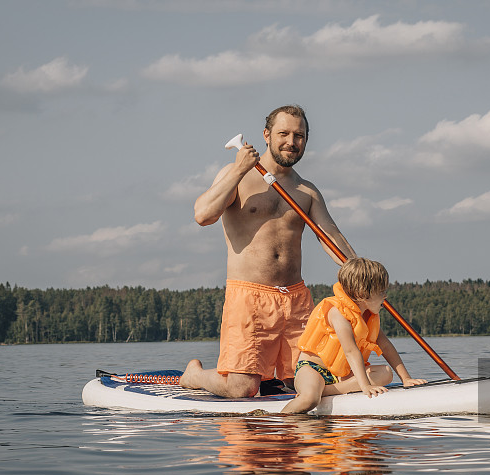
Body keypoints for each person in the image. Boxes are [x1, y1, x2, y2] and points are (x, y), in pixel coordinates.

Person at [179, 105, 356, 398]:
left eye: (299, 135)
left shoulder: (306, 191)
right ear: (266, 135)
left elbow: (330, 236)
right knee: (241, 388)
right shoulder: (237, 175)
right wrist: (238, 168)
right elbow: (203, 215)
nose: (291, 141)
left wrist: (361, 272)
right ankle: (196, 375)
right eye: (283, 133)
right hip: (249, 296)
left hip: (296, 300)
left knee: (308, 379)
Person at [281, 258, 427, 414]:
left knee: (386, 373)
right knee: (309, 400)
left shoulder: (368, 317)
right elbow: (351, 351)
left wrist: (406, 378)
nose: (385, 296)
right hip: (314, 369)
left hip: (343, 376)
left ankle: (325, 391)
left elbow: (386, 347)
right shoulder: (337, 313)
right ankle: (280, 421)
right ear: (363, 294)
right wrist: (365, 386)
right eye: (381, 291)